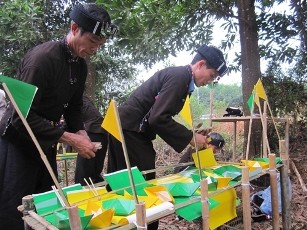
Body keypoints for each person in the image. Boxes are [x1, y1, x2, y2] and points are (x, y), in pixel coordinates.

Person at [0, 3, 117, 229]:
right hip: (19, 141)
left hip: (45, 141)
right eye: (92, 41)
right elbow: (20, 118)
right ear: (74, 28)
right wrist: (70, 138)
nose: (94, 49)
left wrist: (82, 134)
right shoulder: (42, 59)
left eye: (99, 45)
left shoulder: (80, 66)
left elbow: (73, 107)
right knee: (14, 206)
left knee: (46, 204)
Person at [107, 44, 227, 230]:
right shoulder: (180, 77)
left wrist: (191, 135)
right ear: (201, 64)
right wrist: (190, 137)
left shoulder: (182, 79)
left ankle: (119, 223)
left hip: (126, 127)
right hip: (131, 130)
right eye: (211, 76)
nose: (210, 82)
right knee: (142, 185)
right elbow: (158, 118)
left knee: (122, 184)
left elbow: (158, 115)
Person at [75, 95, 108, 185]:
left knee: (83, 175)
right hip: (103, 133)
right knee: (95, 172)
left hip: (92, 132)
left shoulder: (74, 98)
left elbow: (71, 120)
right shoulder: (86, 100)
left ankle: (81, 194)